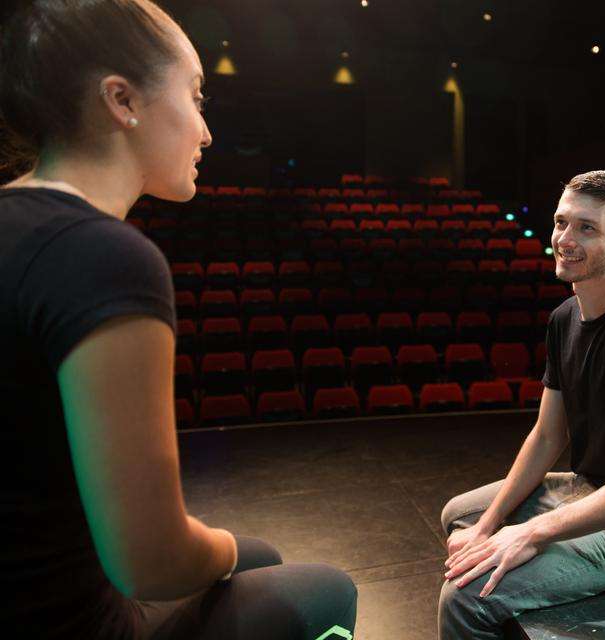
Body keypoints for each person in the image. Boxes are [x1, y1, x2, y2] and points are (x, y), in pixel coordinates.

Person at [0, 1, 356, 638]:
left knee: (260, 560)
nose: (206, 131)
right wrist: (219, 544)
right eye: (196, 97)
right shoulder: (102, 256)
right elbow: (150, 564)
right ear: (122, 100)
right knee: (325, 590)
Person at [438, 170, 605, 639]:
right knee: (459, 516)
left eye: (587, 228)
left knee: (464, 598)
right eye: (561, 222)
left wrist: (532, 531)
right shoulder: (564, 318)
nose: (565, 238)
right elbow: (548, 435)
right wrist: (488, 527)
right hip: (589, 487)